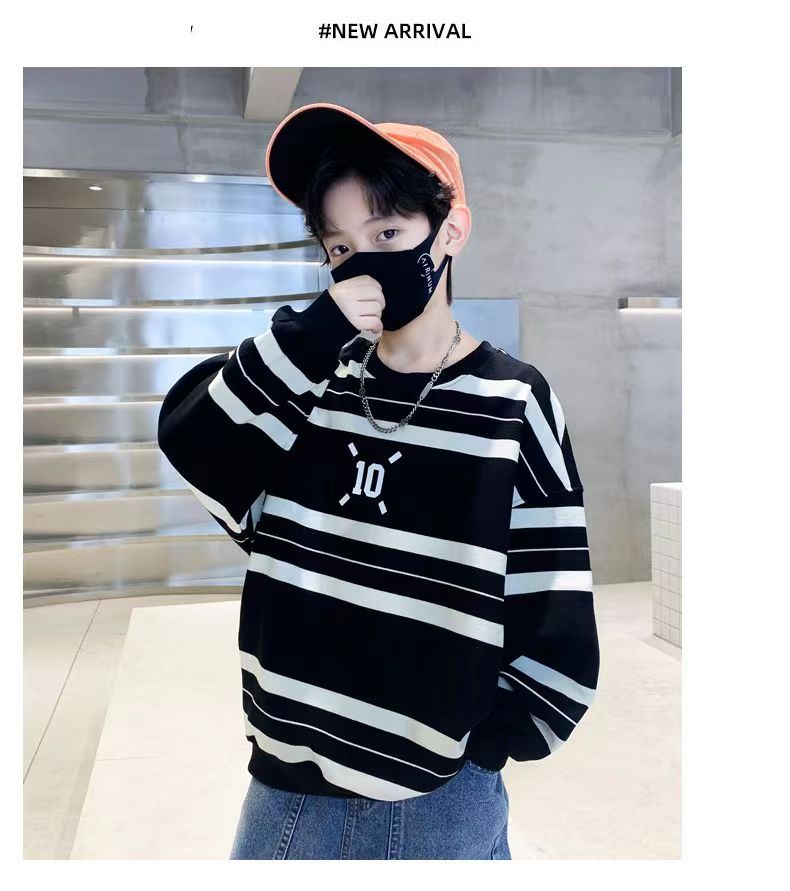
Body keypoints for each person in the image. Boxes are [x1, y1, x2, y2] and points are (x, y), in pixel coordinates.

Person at [157, 102, 600, 860]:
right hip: (287, 784)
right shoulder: (307, 379)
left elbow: (550, 582)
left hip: (439, 796)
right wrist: (312, 335)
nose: (361, 263)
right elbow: (195, 443)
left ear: (450, 231)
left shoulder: (512, 400)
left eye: (388, 235)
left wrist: (492, 738)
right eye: (340, 246)